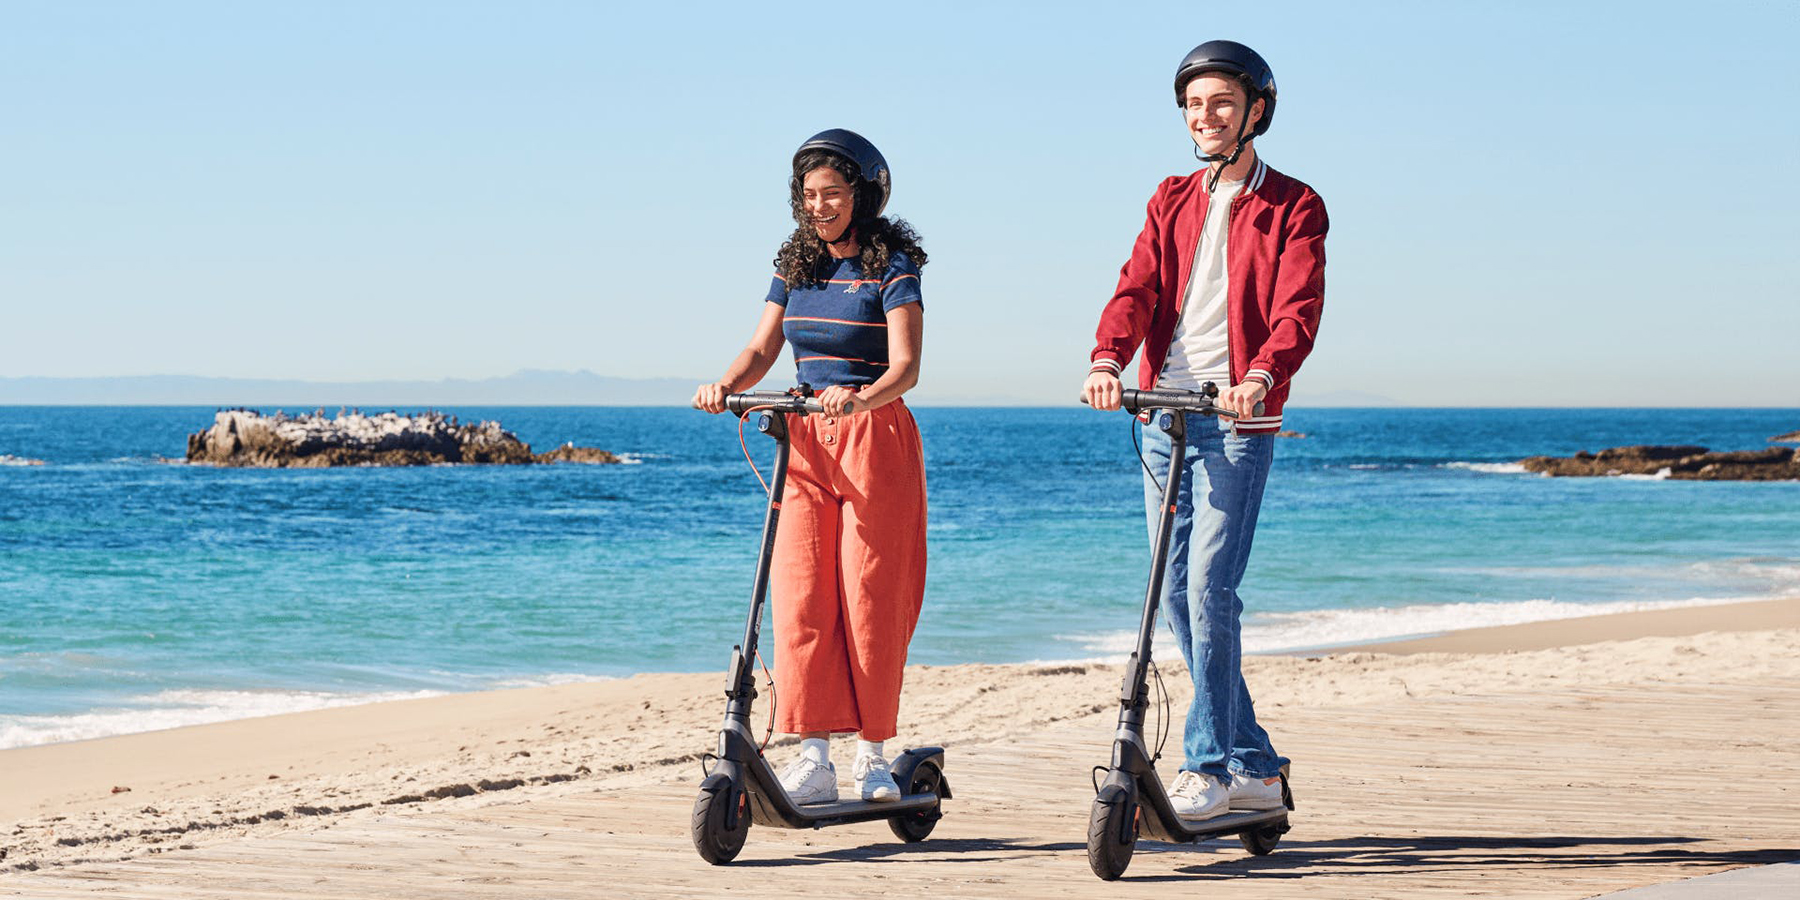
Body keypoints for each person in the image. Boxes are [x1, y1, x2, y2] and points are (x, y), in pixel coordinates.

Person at [1080, 41, 1327, 821]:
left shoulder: (1295, 204)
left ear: (1257, 110)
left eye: (1220, 102)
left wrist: (1260, 377)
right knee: (1177, 600)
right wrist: (1108, 358)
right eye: (1193, 104)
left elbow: (1297, 311)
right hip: (1164, 415)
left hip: (1237, 421)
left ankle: (1210, 768)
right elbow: (1137, 287)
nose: (1205, 116)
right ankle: (1257, 767)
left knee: (1210, 590)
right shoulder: (1171, 197)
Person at [693, 129, 928, 805]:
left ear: (863, 195)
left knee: (869, 599)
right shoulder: (796, 265)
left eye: (832, 193)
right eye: (808, 194)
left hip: (872, 435)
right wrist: (725, 384)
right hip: (804, 440)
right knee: (800, 598)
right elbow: (762, 348)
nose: (818, 205)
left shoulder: (893, 267)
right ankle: (815, 757)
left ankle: (872, 758)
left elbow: (907, 366)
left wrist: (861, 398)